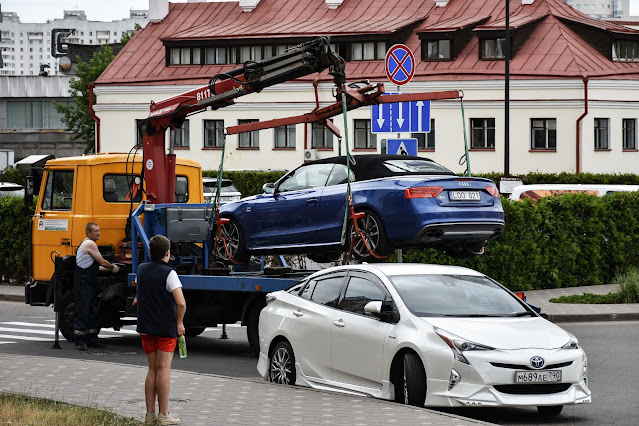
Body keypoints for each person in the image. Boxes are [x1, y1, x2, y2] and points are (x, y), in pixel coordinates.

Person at [136, 235, 186, 425]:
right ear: (167, 253)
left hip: (146, 326)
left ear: (150, 252)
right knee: (163, 369)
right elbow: (181, 303)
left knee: (152, 369)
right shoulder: (169, 273)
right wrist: (179, 323)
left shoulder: (141, 269)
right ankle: (164, 415)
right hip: (165, 327)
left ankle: (149, 415)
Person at [74, 222, 119, 351]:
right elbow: (102, 262)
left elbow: (93, 266)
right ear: (88, 233)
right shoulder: (90, 244)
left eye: (99, 230)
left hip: (88, 283)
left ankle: (92, 339)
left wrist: (107, 269)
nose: (98, 233)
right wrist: (113, 267)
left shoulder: (87, 244)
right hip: (84, 283)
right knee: (83, 311)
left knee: (91, 311)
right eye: (95, 231)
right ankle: (80, 341)